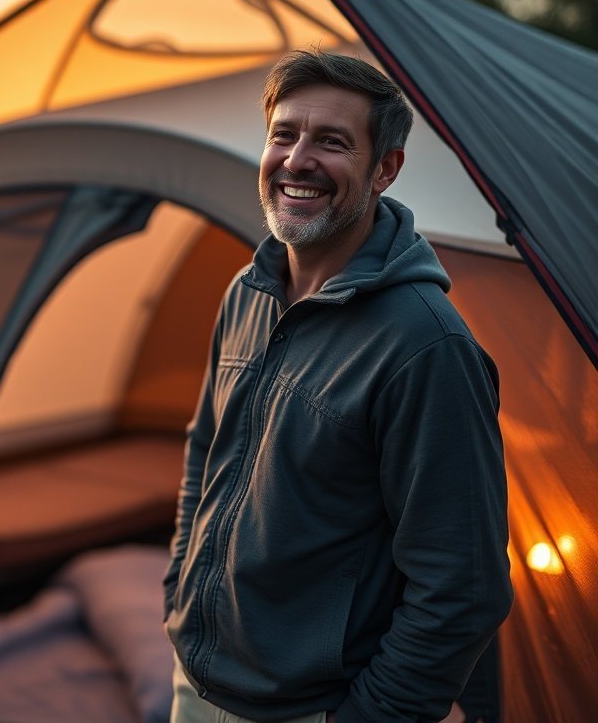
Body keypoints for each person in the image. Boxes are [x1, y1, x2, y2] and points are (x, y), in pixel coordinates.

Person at [162, 50, 512, 723]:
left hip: (314, 709)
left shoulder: (426, 346)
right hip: (195, 686)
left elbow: (462, 586)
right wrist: (180, 591)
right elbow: (203, 455)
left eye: (331, 141)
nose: (296, 160)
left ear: (385, 168)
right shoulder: (247, 293)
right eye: (284, 134)